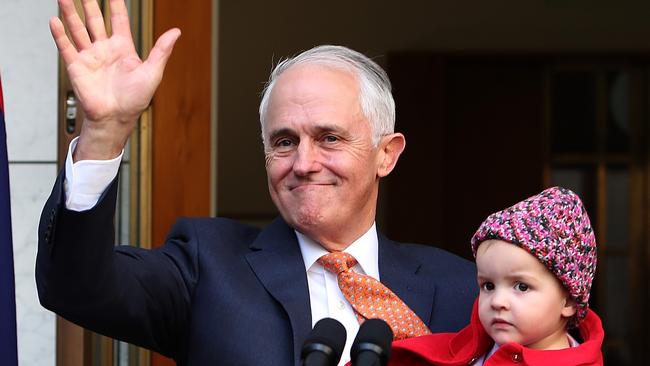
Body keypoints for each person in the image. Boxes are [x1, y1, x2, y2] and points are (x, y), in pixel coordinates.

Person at [36, 0, 477, 365]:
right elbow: (78, 287)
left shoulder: (464, 288)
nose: (304, 163)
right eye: (284, 142)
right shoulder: (207, 267)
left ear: (387, 154)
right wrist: (106, 131)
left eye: (329, 138)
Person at [387, 187, 604, 366]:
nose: (498, 302)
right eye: (488, 286)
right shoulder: (466, 354)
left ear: (568, 301)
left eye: (521, 287)